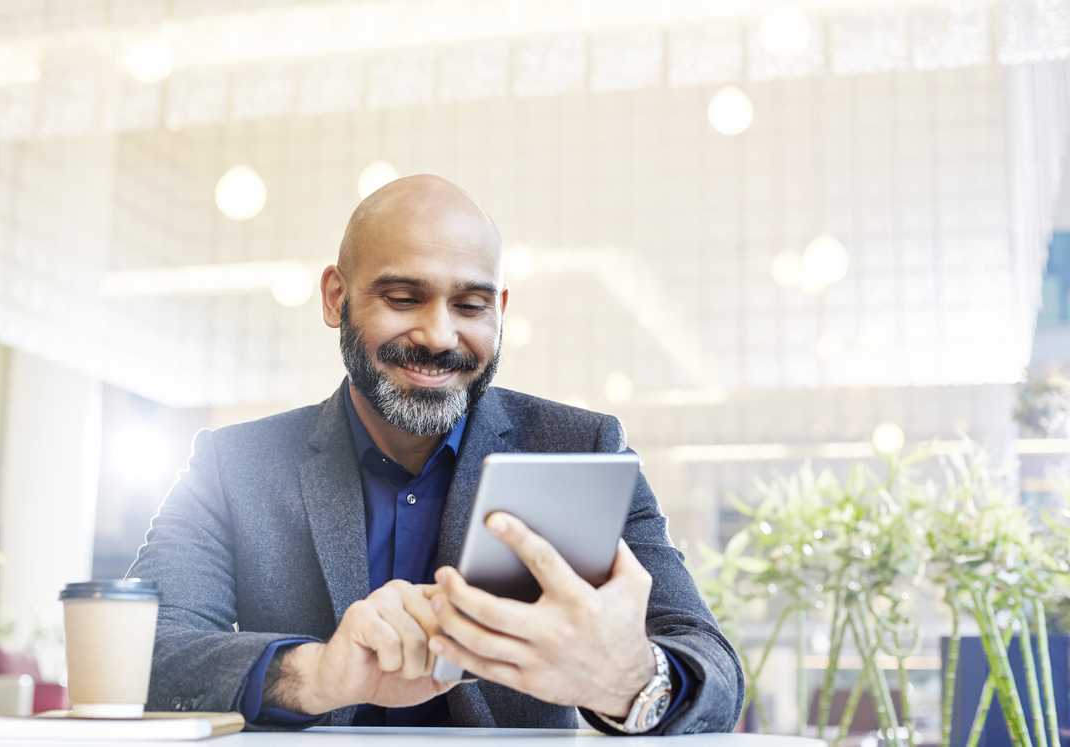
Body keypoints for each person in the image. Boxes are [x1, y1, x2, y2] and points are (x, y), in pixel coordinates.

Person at [128, 175, 743, 735]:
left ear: (499, 312)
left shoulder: (583, 445)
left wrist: (629, 679)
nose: (440, 335)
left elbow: (711, 668)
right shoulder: (233, 465)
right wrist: (313, 675)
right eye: (402, 297)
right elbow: (140, 654)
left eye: (470, 306)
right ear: (335, 298)